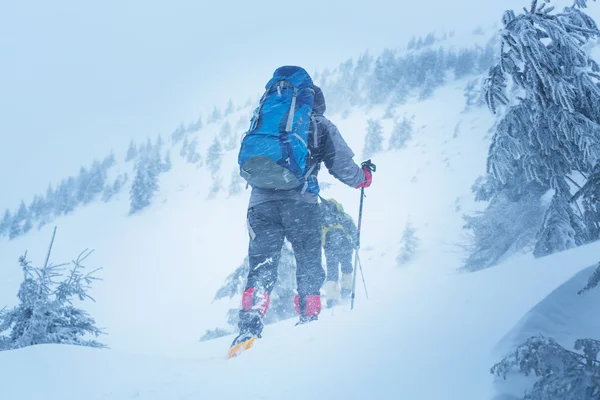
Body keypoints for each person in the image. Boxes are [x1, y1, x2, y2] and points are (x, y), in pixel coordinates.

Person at [233, 66, 373, 348]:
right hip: (301, 203)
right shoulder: (318, 124)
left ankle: (248, 328)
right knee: (308, 264)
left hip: (261, 204)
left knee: (262, 266)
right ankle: (309, 320)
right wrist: (364, 178)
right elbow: (344, 168)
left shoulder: (264, 117)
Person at [320, 198, 358, 307]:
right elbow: (353, 230)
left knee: (332, 273)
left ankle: (331, 298)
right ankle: (346, 290)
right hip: (345, 246)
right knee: (347, 267)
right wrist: (356, 243)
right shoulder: (344, 217)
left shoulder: (322, 220)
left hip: (330, 249)